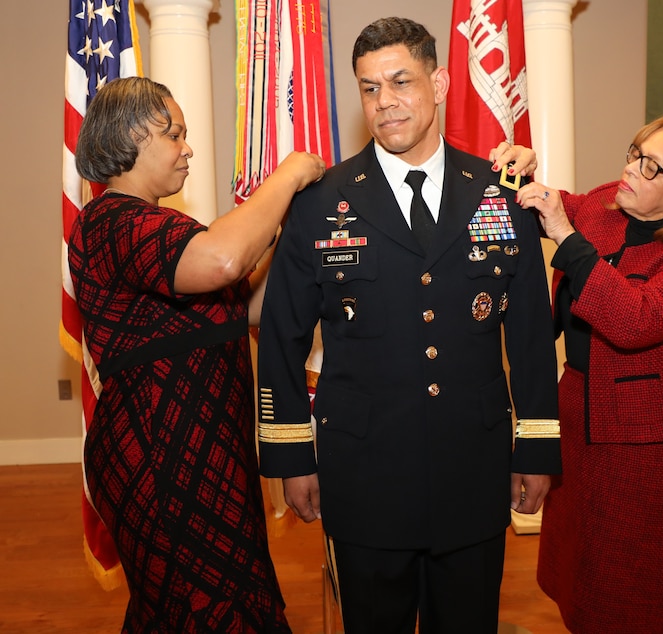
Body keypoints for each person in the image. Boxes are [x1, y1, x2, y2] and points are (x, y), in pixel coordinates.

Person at [256, 17, 560, 634]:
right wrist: (293, 458)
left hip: (471, 467)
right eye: (370, 88)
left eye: (401, 81)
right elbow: (282, 338)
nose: (384, 102)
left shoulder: (499, 194)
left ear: (441, 81)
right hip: (364, 471)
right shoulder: (320, 200)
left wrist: (535, 446)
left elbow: (529, 334)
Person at [68, 76, 325, 633]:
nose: (187, 148)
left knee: (222, 602)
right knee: (197, 609)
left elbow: (248, 304)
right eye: (175, 134)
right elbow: (224, 263)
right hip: (161, 457)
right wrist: (287, 176)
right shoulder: (112, 220)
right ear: (134, 136)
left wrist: (294, 227)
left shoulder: (159, 224)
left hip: (203, 451)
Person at [508, 112, 663, 633]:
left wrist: (568, 242)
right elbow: (555, 205)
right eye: (634, 153)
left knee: (627, 580)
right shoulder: (606, 203)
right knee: (577, 564)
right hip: (576, 417)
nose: (631, 170)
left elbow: (637, 319)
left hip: (640, 441)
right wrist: (525, 173)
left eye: (652, 166)